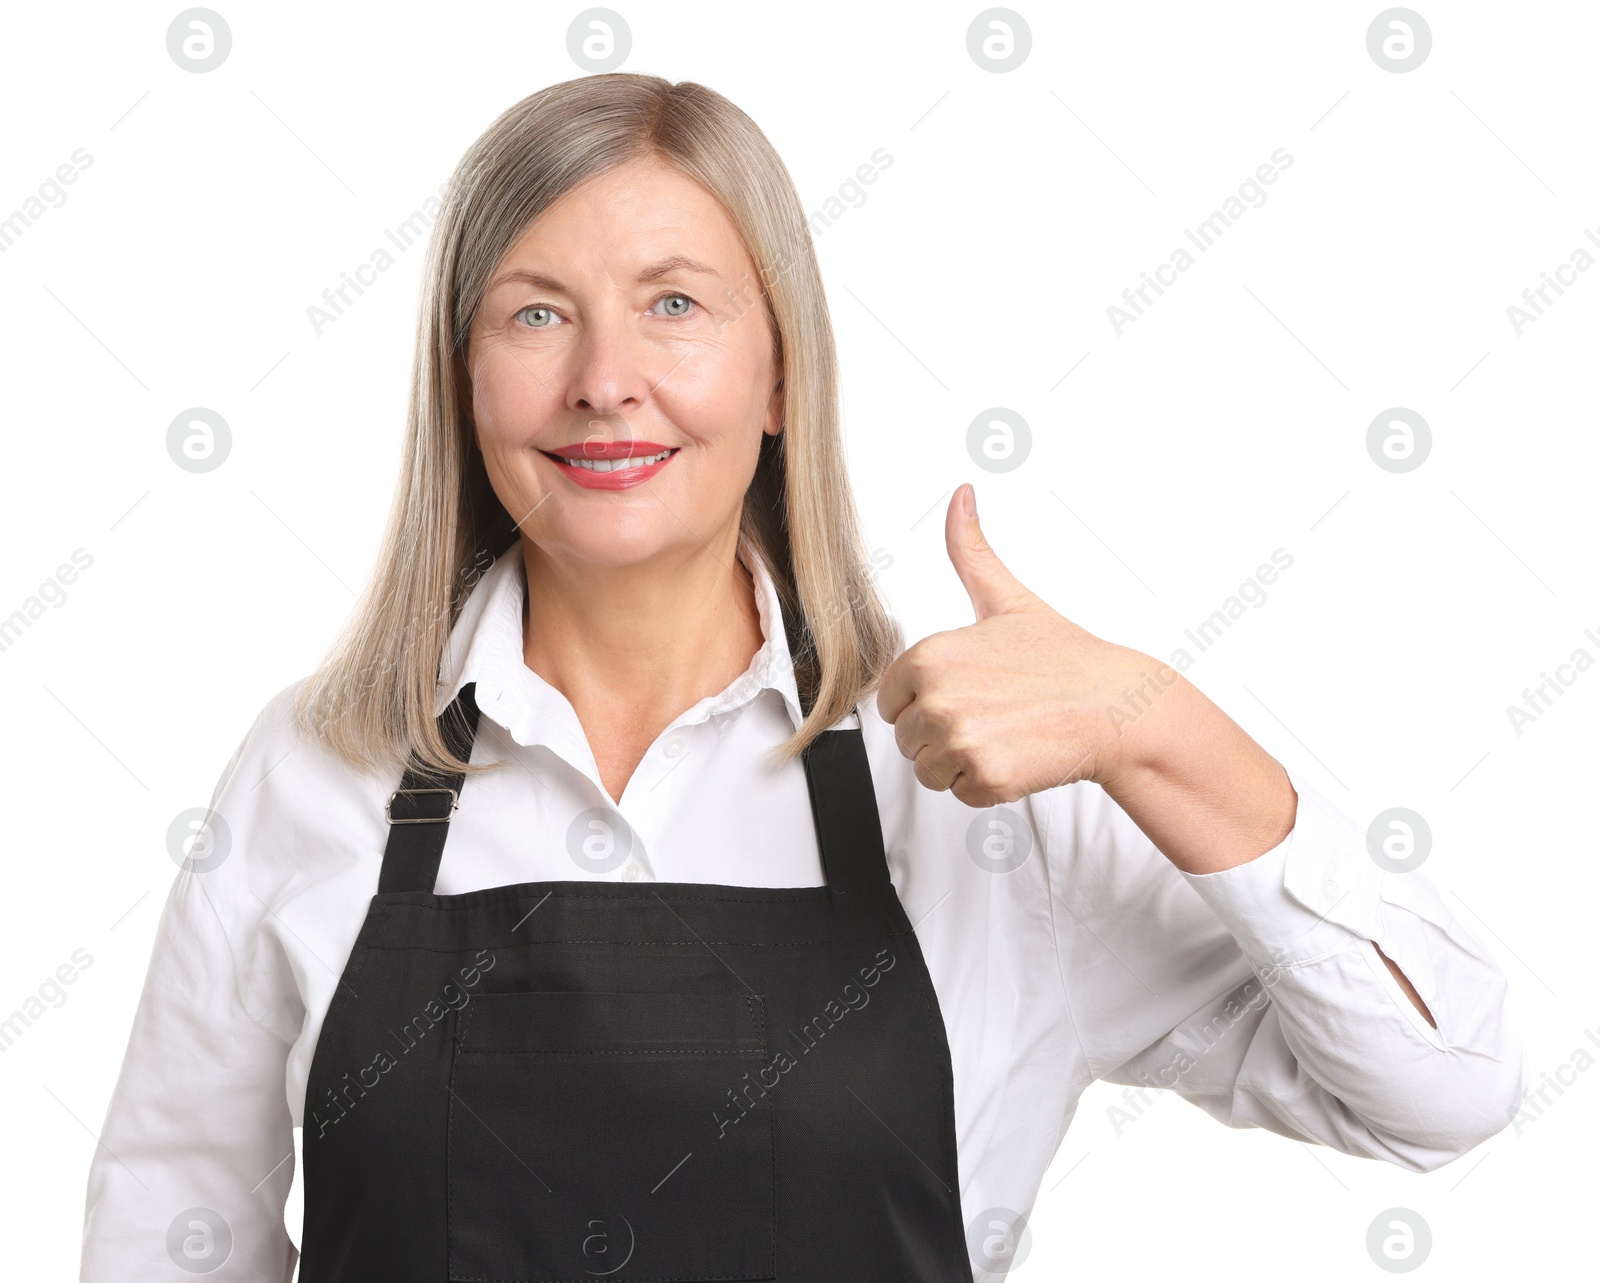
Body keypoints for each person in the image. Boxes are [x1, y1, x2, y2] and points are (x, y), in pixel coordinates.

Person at [80, 73, 1524, 1281]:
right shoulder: (315, 769)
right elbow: (164, 1244)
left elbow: (1442, 1091)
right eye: (534, 314)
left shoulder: (982, 784)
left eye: (676, 305)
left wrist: (1155, 730)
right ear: (463, 383)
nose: (603, 378)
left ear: (781, 378)